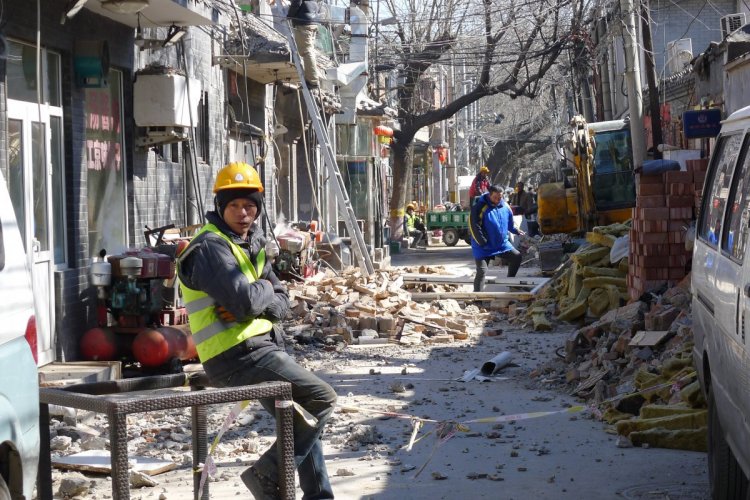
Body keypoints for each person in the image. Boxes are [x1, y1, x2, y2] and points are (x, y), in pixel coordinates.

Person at [177, 162, 336, 499]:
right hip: (236, 355)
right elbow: (247, 303)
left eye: (249, 205)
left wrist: (263, 293)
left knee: (302, 419)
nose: (243, 212)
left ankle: (320, 496)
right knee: (322, 398)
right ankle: (266, 474)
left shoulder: (252, 244)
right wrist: (263, 293)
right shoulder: (210, 247)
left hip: (259, 349)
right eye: (234, 205)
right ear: (220, 207)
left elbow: (282, 303)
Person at [469, 184, 524, 291]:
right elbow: (474, 227)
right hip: (483, 247)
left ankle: (511, 283)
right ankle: (478, 299)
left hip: (501, 245)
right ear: (489, 195)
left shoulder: (505, 207)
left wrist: (516, 231)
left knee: (516, 257)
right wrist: (482, 242)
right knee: (482, 271)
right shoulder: (479, 207)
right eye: (495, 197)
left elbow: (509, 224)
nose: (498, 200)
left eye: (500, 197)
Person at [287, 0, 321, 89]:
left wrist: (289, 16)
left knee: (306, 52)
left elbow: (296, 3)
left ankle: (312, 81)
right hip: (313, 22)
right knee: (309, 51)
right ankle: (310, 79)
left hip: (303, 23)